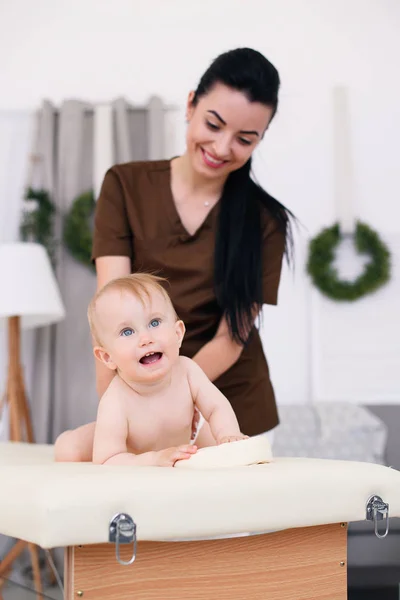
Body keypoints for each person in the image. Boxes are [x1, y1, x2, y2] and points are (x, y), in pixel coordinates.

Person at [59, 46, 294, 460]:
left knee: (227, 520)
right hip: (138, 387)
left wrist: (182, 393)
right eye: (213, 124)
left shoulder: (264, 221)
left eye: (244, 139)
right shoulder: (126, 186)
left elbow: (232, 336)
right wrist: (125, 401)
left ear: (261, 139)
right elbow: (112, 312)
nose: (222, 148)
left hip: (229, 402)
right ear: (190, 104)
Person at [55, 273, 247, 465]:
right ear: (108, 357)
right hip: (127, 446)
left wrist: (228, 434)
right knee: (69, 451)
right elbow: (107, 460)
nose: (146, 338)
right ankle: (72, 439)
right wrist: (154, 459)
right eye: (127, 331)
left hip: (184, 437)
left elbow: (216, 407)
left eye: (154, 322)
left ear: (178, 333)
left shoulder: (188, 370)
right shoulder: (116, 399)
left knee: (217, 440)